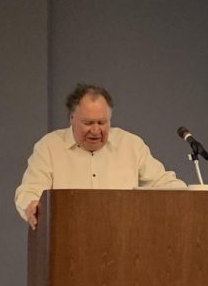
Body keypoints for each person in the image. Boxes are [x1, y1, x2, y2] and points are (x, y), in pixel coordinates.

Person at [15, 83, 186, 230]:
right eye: (88, 123)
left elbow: (163, 183)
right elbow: (29, 191)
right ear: (72, 118)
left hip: (124, 244)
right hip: (67, 243)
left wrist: (192, 196)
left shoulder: (131, 145)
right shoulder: (49, 147)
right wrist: (32, 205)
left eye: (102, 122)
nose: (96, 130)